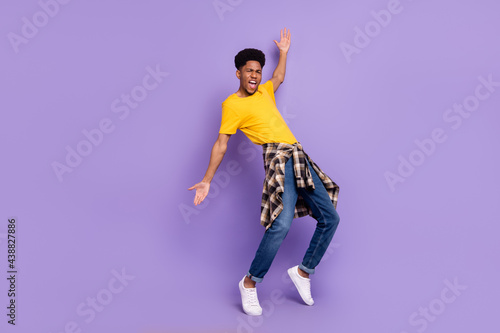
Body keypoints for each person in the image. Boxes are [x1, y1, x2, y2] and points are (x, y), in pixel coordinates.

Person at [188, 28, 340, 316]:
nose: (255, 76)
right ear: (238, 74)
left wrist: (283, 53)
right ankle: (249, 283)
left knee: (330, 217)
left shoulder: (265, 92)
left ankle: (304, 272)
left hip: (298, 155)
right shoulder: (232, 105)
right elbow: (222, 143)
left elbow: (279, 77)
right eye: (249, 71)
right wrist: (207, 180)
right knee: (281, 225)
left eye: (258, 70)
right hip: (278, 158)